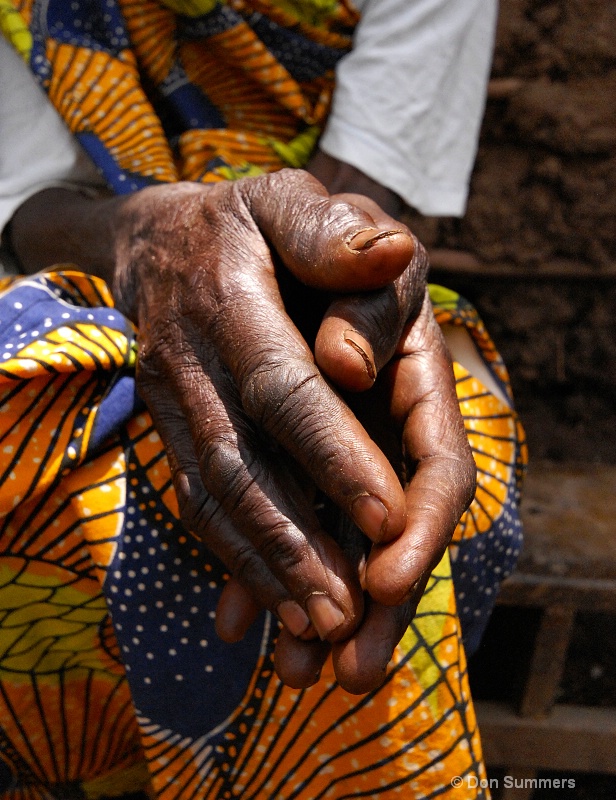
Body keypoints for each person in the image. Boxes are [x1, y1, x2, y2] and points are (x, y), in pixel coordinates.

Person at [0, 1, 526, 798]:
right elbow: (24, 202)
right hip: (64, 264)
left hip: (346, 284)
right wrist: (149, 239)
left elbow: (364, 186)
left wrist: (309, 309)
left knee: (416, 494)